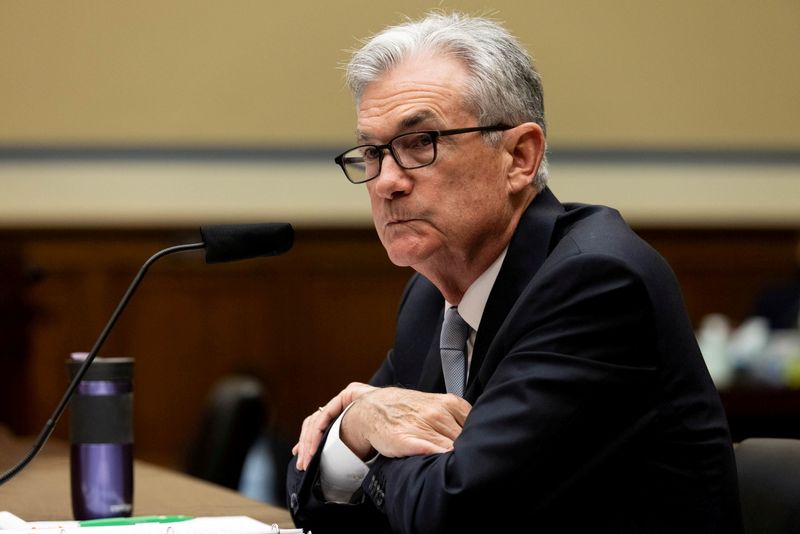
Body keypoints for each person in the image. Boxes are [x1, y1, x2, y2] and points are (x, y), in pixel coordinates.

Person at [287, 12, 742, 533]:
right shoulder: (429, 298)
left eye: (420, 143)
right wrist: (359, 430)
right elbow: (316, 496)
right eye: (372, 151)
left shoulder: (597, 283)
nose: (386, 181)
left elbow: (453, 513)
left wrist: (363, 433)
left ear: (520, 157)